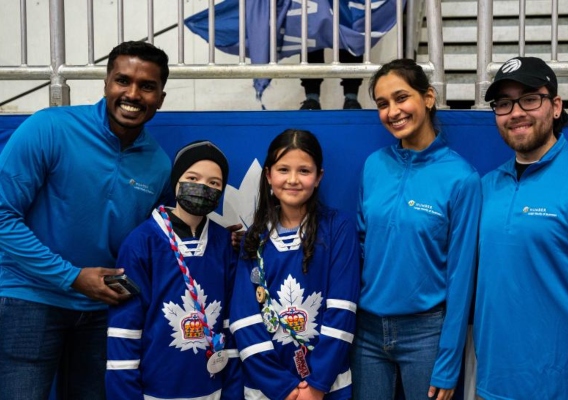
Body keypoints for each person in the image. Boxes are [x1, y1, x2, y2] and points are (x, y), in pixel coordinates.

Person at [0, 40, 172, 400]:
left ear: (161, 97)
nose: (133, 94)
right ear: (106, 84)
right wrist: (71, 277)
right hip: (29, 299)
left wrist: (226, 241)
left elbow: (157, 238)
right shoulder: (49, 128)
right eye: (122, 81)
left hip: (101, 310)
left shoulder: (158, 164)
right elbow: (2, 217)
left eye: (147, 86)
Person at [351, 59, 481, 400]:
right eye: (382, 104)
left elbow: (461, 276)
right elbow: (360, 245)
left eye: (401, 98)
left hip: (426, 334)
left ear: (428, 97)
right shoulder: (374, 165)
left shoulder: (461, 178)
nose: (392, 111)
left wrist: (449, 359)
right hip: (366, 331)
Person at [473, 57, 568, 399]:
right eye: (504, 103)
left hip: (563, 390)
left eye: (529, 98)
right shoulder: (485, 188)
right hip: (492, 386)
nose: (516, 112)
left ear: (556, 106)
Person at [229, 129, 360, 399]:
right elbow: (245, 319)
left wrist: (317, 384)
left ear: (319, 177)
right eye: (283, 169)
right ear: (268, 176)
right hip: (267, 388)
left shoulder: (339, 227)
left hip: (326, 386)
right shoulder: (254, 237)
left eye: (304, 171)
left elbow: (342, 309)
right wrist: (282, 387)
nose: (292, 180)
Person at [105, 140, 241, 399]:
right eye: (193, 177)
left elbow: (230, 324)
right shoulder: (140, 242)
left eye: (214, 183)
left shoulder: (225, 243)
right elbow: (125, 328)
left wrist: (232, 391)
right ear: (176, 180)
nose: (203, 187)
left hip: (213, 388)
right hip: (155, 390)